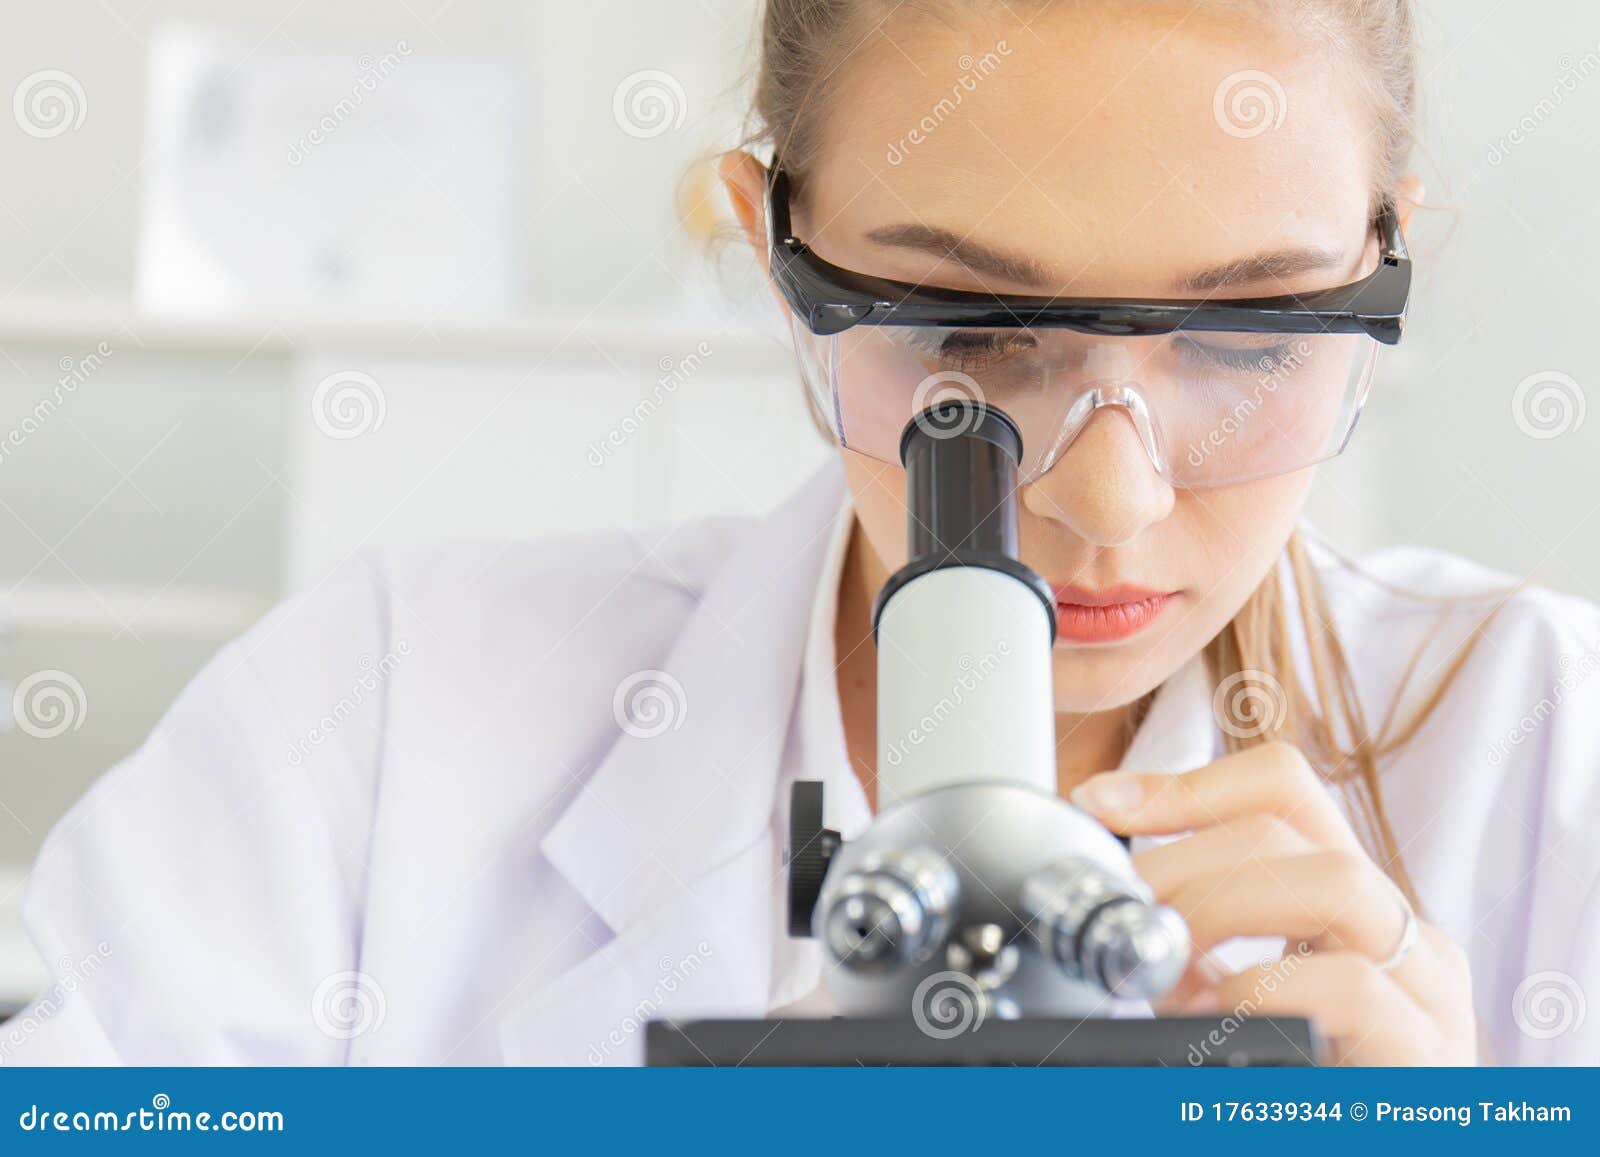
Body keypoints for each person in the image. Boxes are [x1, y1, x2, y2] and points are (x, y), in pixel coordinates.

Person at [5, 0, 1596, 1066]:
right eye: (969, 334)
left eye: (1251, 337)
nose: (1111, 497)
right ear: (779, 262)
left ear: (1385, 250)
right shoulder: (378, 720)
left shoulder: (1547, 750)